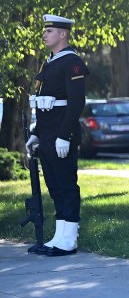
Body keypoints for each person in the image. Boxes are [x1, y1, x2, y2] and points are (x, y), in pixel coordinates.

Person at [26, 14, 89, 256]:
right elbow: (45, 105)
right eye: (45, 30)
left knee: (66, 184)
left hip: (62, 134)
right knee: (54, 185)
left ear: (63, 34)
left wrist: (65, 134)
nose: (45, 34)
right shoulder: (49, 63)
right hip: (48, 134)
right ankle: (60, 236)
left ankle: (69, 238)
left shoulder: (72, 62)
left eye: (49, 31)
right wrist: (37, 133)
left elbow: (76, 102)